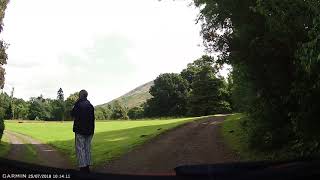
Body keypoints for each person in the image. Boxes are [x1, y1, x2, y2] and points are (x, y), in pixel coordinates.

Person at [71, 90, 95, 173]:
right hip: (90, 130)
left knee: (80, 148)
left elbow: (72, 114)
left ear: (80, 96)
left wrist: (75, 103)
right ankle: (87, 166)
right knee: (87, 148)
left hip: (80, 130)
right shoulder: (91, 105)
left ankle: (83, 167)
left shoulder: (78, 105)